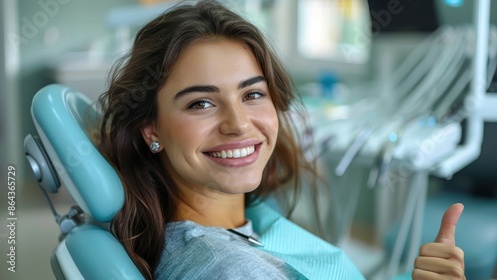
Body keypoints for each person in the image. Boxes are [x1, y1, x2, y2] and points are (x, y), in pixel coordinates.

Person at [96, 0, 466, 279]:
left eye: (252, 94)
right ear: (152, 130)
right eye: (201, 103)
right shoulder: (228, 268)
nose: (238, 125)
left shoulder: (242, 219)